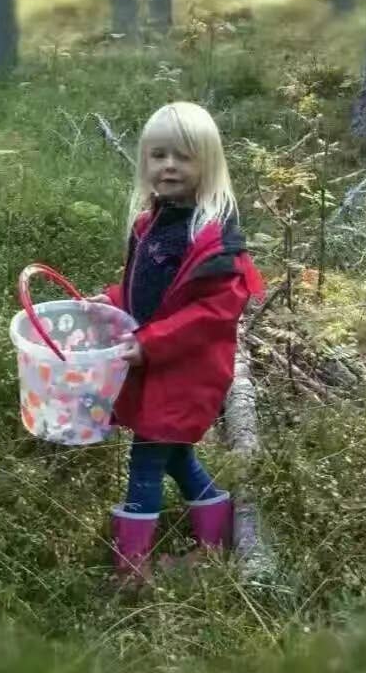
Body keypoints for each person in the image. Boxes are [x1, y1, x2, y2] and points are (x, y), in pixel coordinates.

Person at [96, 102, 264, 582]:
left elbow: (209, 314)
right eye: (158, 155)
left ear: (207, 164)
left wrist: (151, 343)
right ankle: (215, 541)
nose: (168, 165)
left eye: (183, 157)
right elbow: (146, 289)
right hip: (159, 367)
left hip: (184, 373)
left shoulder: (214, 241)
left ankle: (132, 569)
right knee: (175, 456)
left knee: (146, 461)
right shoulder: (153, 223)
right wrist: (109, 302)